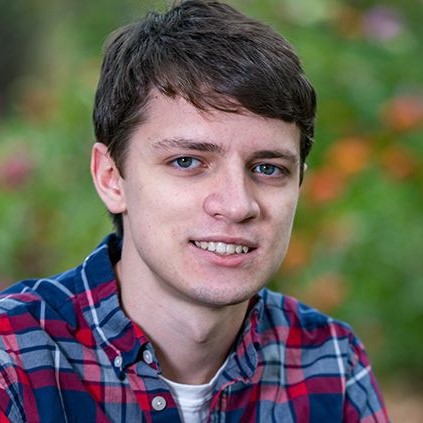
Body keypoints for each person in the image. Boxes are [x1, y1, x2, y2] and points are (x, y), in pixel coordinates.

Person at [0, 1, 389, 421]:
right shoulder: (15, 360)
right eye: (187, 162)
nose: (238, 204)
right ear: (112, 178)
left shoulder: (330, 363)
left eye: (268, 168)